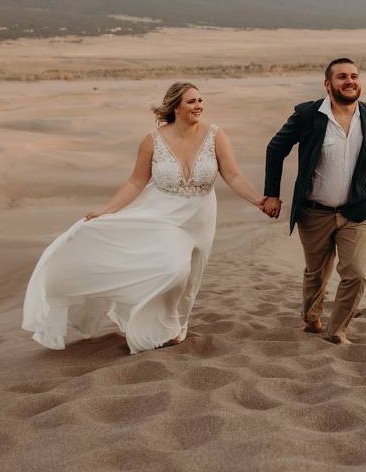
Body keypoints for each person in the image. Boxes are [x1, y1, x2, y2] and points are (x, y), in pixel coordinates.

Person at [22, 82, 268, 354]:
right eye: (191, 102)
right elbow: (136, 182)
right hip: (161, 215)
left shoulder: (215, 135)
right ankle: (153, 324)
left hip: (201, 215)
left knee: (193, 275)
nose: (199, 105)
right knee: (175, 268)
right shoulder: (152, 140)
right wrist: (107, 210)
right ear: (176, 106)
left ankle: (176, 327)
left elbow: (232, 175)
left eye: (200, 100)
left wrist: (258, 200)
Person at [262, 58, 366, 345]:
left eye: (355, 76)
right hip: (314, 212)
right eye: (342, 77)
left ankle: (336, 332)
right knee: (316, 272)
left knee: (356, 275)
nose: (350, 81)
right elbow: (275, 148)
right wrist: (272, 193)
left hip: (355, 212)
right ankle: (312, 319)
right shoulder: (308, 114)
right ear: (328, 84)